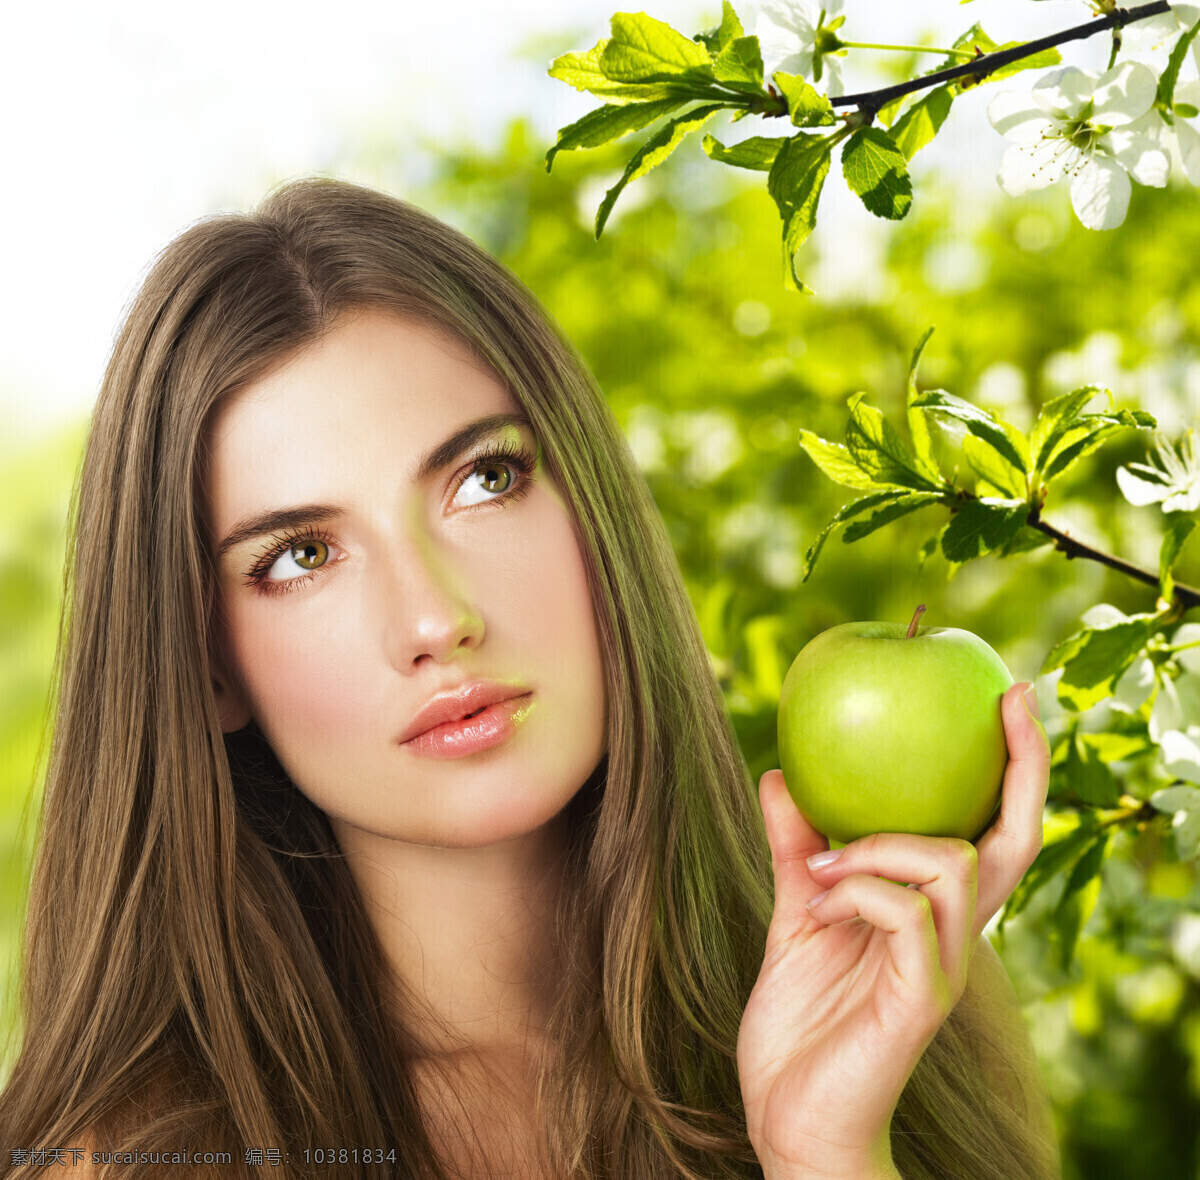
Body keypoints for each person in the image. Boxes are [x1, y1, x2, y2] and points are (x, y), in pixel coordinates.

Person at [0, 177, 1059, 1179]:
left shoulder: (874, 1016)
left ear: (593, 503)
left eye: (486, 479)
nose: (435, 619)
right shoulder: (132, 1155)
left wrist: (826, 1151)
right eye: (300, 556)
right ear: (209, 669)